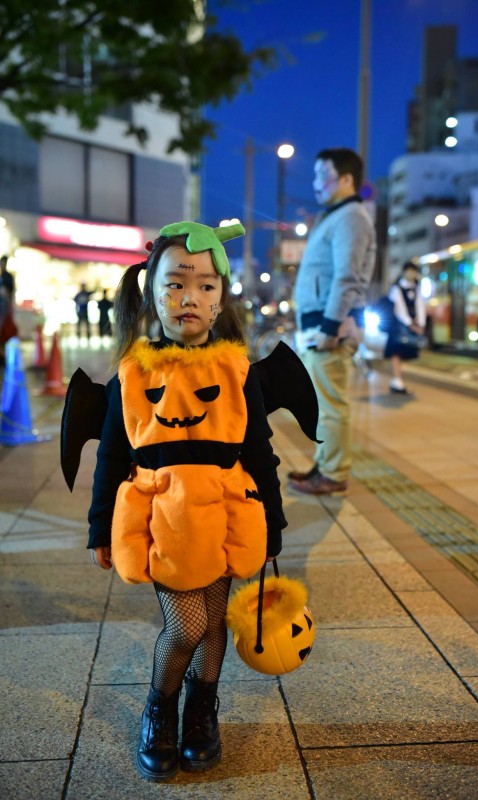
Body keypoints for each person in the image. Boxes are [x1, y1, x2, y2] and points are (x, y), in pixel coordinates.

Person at [85, 221, 287, 781]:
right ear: (150, 292)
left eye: (204, 286)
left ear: (221, 297)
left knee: (215, 620)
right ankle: (160, 709)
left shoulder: (238, 368)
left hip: (227, 507)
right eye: (175, 284)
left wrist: (274, 524)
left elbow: (260, 451)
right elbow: (110, 455)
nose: (189, 298)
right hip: (163, 512)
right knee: (184, 627)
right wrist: (101, 525)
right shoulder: (134, 371)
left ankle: (202, 713)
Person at [288, 147, 376, 496]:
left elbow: (347, 277)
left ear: (346, 179)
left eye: (321, 175)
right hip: (321, 323)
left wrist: (329, 327)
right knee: (322, 402)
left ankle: (334, 472)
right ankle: (324, 464)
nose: (315, 183)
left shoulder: (351, 217)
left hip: (329, 328)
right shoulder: (337, 216)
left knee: (331, 403)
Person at [384, 260, 426, 395]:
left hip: (411, 325)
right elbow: (399, 309)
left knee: (403, 352)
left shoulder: (417, 288)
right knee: (396, 352)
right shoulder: (396, 288)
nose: (411, 274)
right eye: (409, 271)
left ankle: (397, 380)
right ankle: (397, 380)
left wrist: (420, 324)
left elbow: (421, 307)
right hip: (397, 326)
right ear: (403, 272)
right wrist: (410, 324)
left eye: (413, 271)